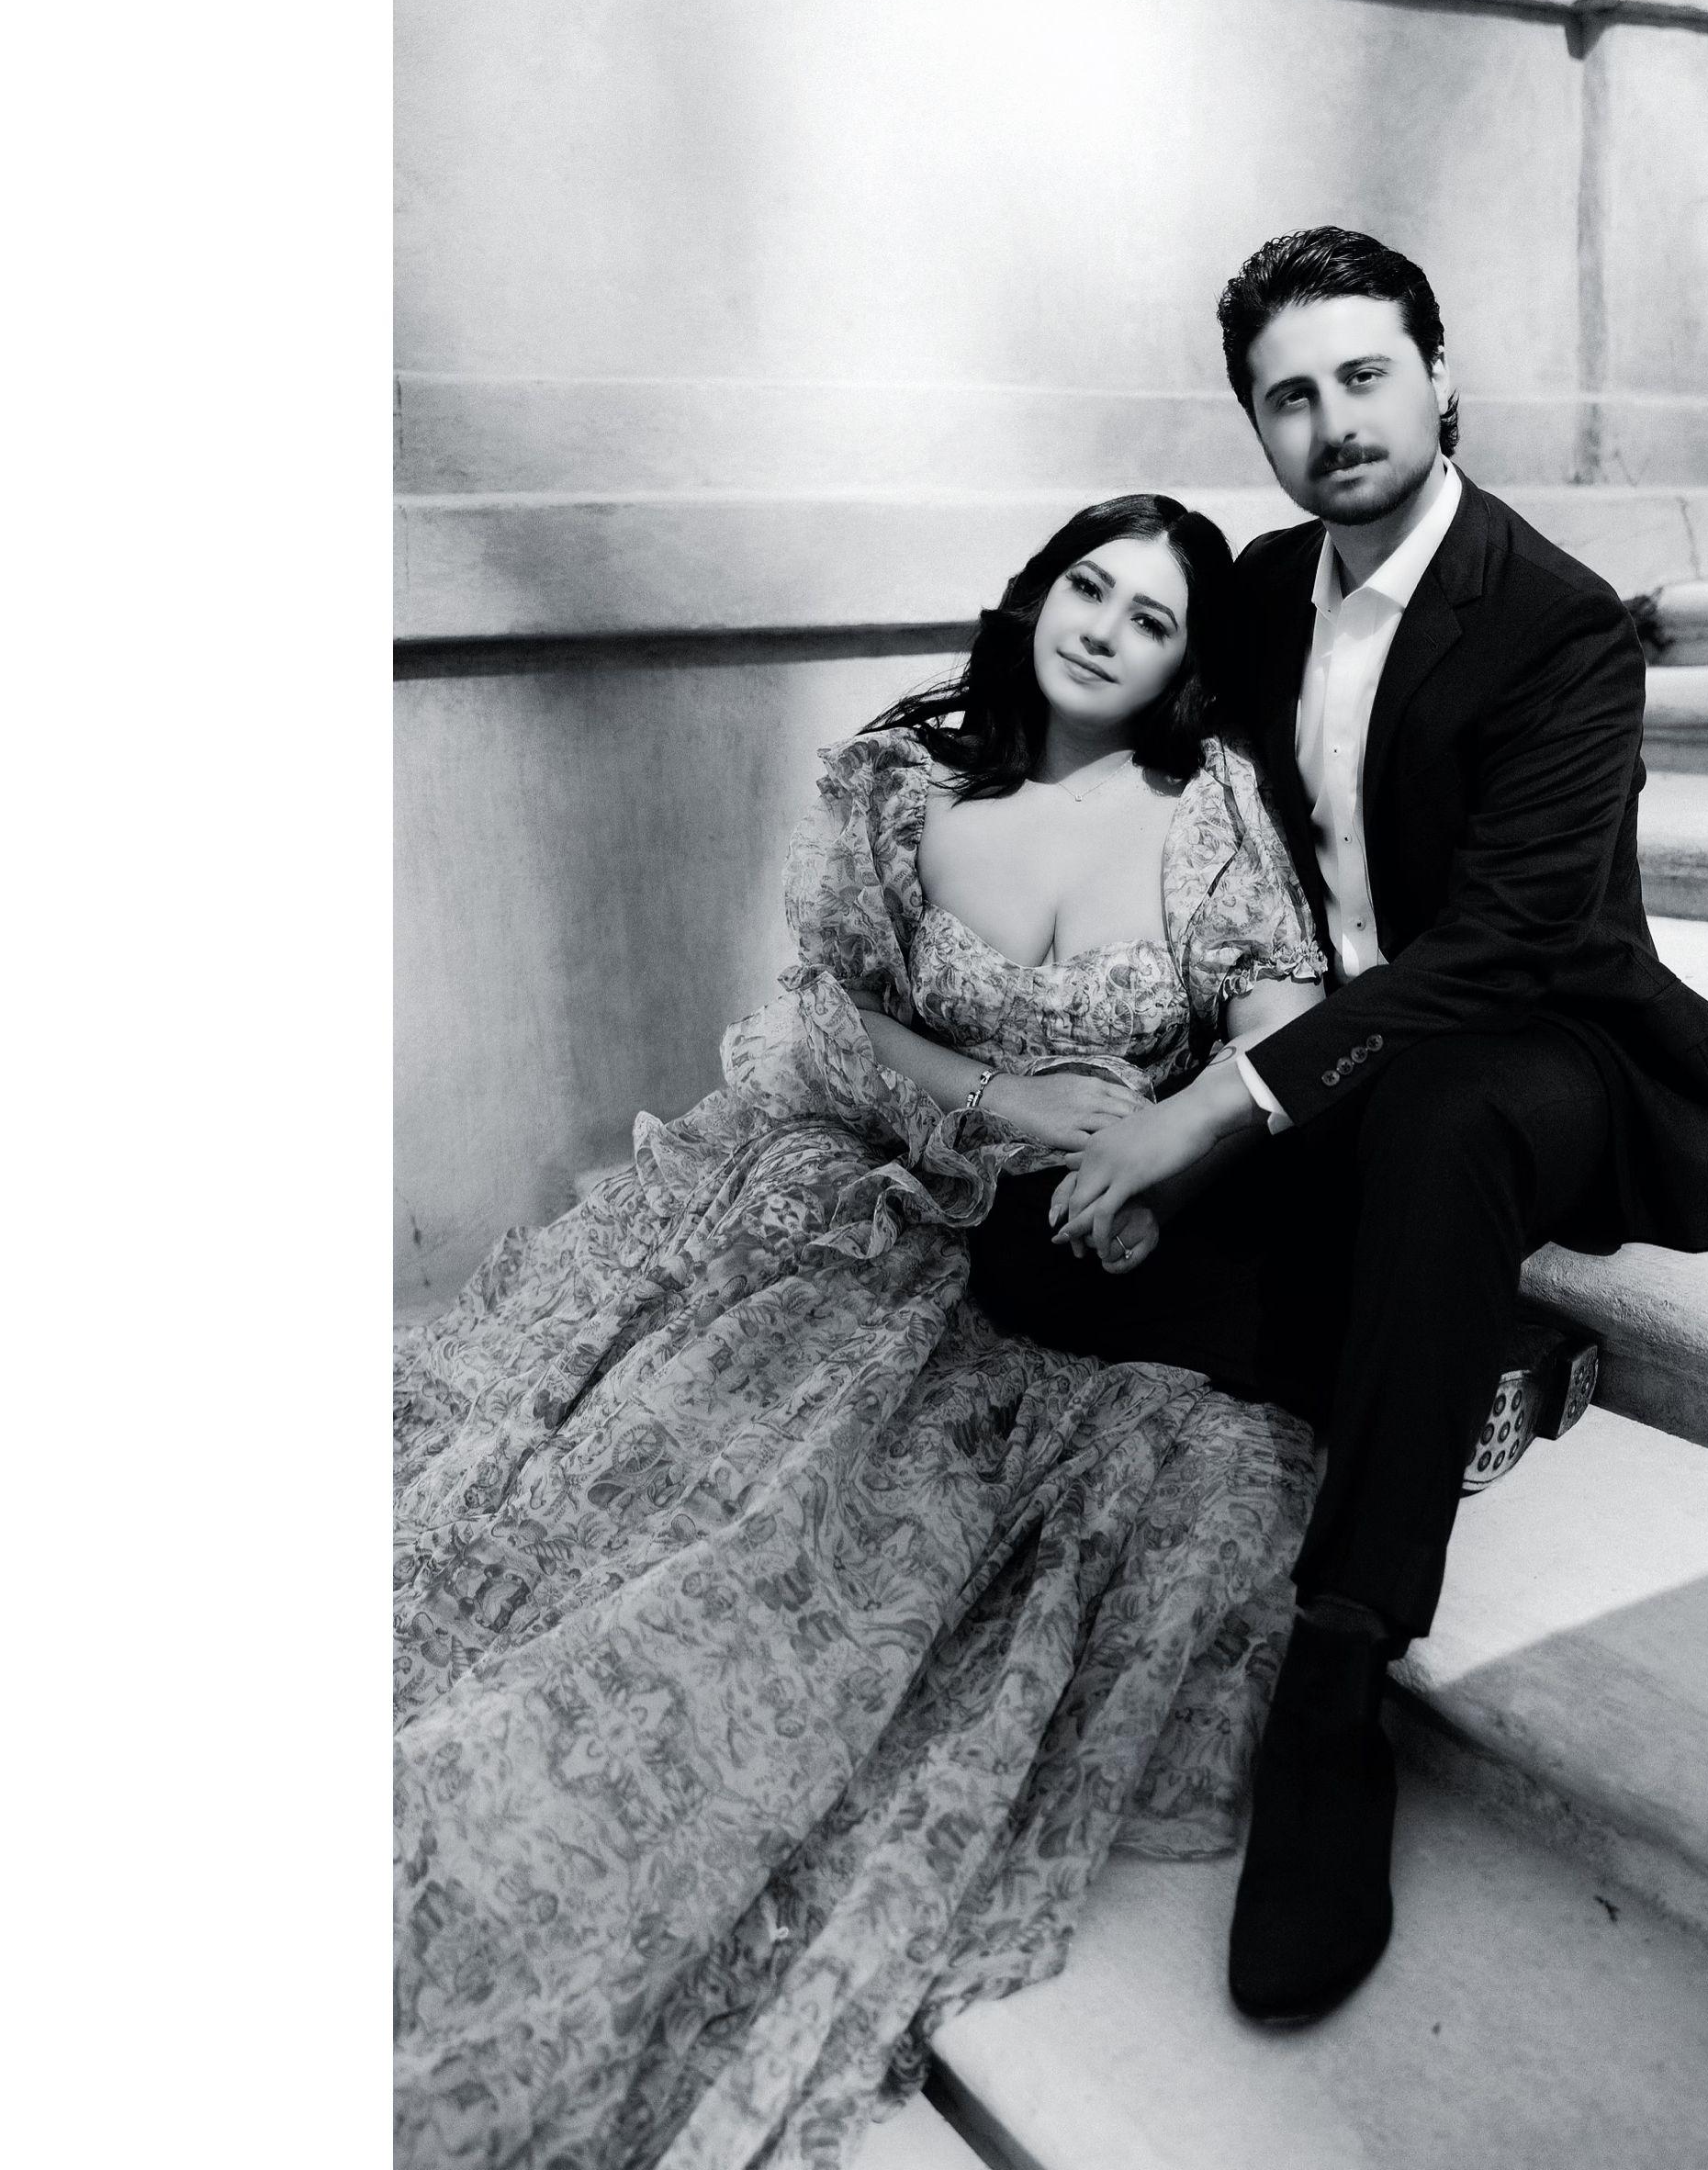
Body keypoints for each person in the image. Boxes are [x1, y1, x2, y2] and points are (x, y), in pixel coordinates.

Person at [392, 495, 1332, 2169]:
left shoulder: (1210, 817)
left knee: (1150, 1469)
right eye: (1089, 587)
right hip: (880, 1178)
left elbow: (1288, 1036)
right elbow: (832, 1013)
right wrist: (998, 1098)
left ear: (1186, 667)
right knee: (721, 1459)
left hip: (1092, 1235)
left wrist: (1165, 1154)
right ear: (1038, 593)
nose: (1105, 630)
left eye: (1153, 620)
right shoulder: (910, 788)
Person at [967, 229, 1708, 2028]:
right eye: (1286, 397)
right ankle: (1466, 1352)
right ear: (1254, 425)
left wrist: (1215, 1112)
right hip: (1323, 1057)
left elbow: (1500, 947)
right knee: (1024, 1231)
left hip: (1536, 1053)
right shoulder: (1260, 594)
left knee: (1435, 1114)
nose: (1329, 421)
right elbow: (1153, 784)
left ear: (1436, 376)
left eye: (1360, 375)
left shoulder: (1557, 621)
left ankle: (1338, 1682)